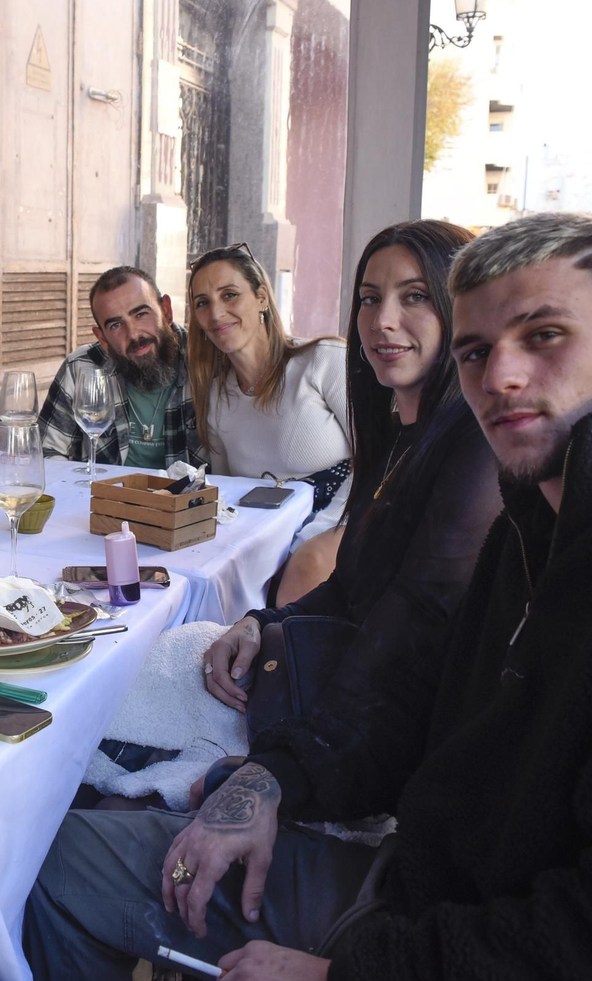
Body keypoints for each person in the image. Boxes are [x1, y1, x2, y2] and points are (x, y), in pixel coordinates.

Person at [24, 211, 592, 981]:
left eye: (544, 336)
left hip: (427, 931)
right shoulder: (533, 523)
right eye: (476, 349)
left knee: (56, 861)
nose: (500, 377)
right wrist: (275, 782)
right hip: (419, 882)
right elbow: (419, 697)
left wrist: (347, 973)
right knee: (83, 804)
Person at [198, 221, 500, 732]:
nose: (383, 320)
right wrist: (257, 623)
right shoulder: (394, 439)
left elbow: (417, 621)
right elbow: (349, 588)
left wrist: (288, 759)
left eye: (416, 296)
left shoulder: (476, 447)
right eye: (368, 297)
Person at [186, 244, 350, 604]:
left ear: (261, 297)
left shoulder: (324, 361)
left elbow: (382, 458)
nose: (216, 313)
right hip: (263, 529)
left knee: (305, 568)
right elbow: (228, 492)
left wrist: (320, 534)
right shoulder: (216, 395)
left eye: (229, 295)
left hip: (341, 513)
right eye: (202, 303)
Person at [39, 265, 207, 471]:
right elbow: (45, 453)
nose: (134, 334)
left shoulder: (206, 360)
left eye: (141, 314)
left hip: (192, 500)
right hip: (105, 498)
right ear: (102, 338)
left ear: (166, 311)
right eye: (116, 325)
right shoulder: (81, 368)